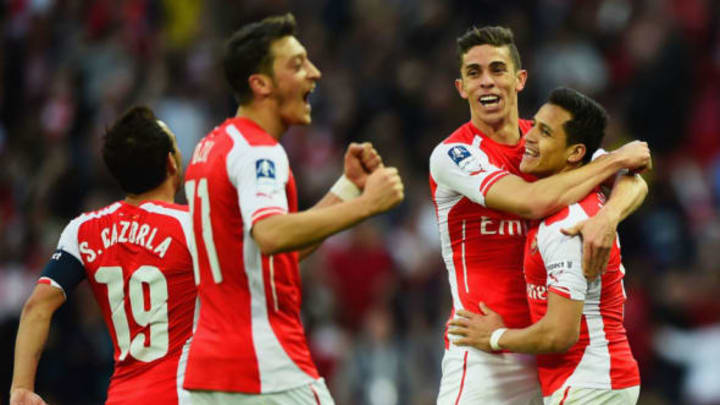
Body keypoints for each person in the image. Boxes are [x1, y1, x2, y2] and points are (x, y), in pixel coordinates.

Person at [182, 13, 403, 404]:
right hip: (266, 367)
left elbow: (274, 253)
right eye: (298, 65)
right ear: (261, 84)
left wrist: (349, 188)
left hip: (206, 372)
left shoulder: (211, 148)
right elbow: (270, 235)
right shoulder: (259, 151)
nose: (314, 74)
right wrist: (368, 206)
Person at [429, 26, 650, 404]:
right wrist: (614, 159)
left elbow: (636, 180)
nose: (486, 82)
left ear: (520, 79)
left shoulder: (545, 142)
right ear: (461, 88)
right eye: (473, 73)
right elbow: (531, 201)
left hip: (553, 350)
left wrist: (607, 216)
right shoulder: (454, 154)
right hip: (488, 353)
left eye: (497, 69)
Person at [10, 106, 197, 405]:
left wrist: (21, 387)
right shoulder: (194, 225)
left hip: (122, 397)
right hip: (184, 395)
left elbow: (37, 307)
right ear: (170, 162)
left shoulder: (83, 230)